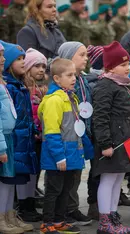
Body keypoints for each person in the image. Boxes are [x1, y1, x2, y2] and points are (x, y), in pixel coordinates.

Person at [38, 58, 93, 234]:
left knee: (65, 189)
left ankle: (59, 220)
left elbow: (78, 128)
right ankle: (47, 223)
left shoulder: (71, 97)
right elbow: (52, 132)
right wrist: (59, 157)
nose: (74, 78)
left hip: (72, 154)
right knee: (53, 190)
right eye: (69, 75)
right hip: (59, 156)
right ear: (56, 78)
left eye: (74, 75)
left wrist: (87, 150)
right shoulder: (54, 101)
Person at [92, 41, 130, 234]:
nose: (127, 68)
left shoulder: (124, 84)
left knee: (118, 180)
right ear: (110, 67)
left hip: (125, 141)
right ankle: (104, 221)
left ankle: (113, 216)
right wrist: (105, 143)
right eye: (122, 65)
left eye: (128, 64)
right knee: (108, 180)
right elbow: (100, 116)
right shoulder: (105, 85)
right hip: (112, 143)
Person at [0, 40, 41, 222]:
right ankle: (5, 218)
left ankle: (11, 216)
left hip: (21, 140)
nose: (23, 62)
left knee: (13, 180)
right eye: (18, 59)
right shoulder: (9, 87)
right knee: (7, 181)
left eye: (24, 58)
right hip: (13, 141)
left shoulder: (19, 85)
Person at [58, 42, 93, 226]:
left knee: (77, 172)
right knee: (67, 175)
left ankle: (72, 207)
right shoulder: (64, 84)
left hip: (81, 132)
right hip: (68, 134)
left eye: (86, 54)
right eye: (81, 55)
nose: (86, 58)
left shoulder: (83, 79)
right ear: (68, 57)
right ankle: (63, 210)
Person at [23, 48, 48, 200]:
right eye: (36, 66)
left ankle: (33, 191)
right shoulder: (26, 88)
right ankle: (26, 199)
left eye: (43, 66)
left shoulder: (41, 88)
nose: (41, 70)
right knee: (29, 169)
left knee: (37, 167)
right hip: (30, 135)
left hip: (39, 135)